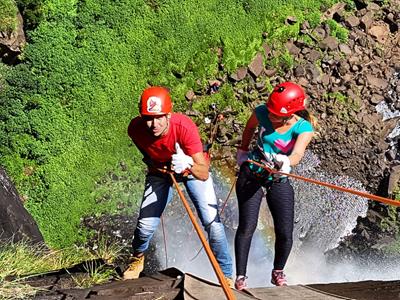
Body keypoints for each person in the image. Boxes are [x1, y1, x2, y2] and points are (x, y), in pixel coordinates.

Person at [123, 86, 233, 286]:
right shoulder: (135, 129)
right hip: (160, 173)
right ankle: (137, 259)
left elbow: (203, 172)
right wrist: (157, 166)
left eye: (159, 118)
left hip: (191, 171)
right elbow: (146, 153)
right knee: (144, 226)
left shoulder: (184, 128)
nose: (153, 124)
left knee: (212, 223)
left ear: (169, 115)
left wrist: (188, 164)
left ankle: (226, 275)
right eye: (148, 118)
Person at [234, 82, 315, 289]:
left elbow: (297, 153)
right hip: (253, 171)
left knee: (285, 232)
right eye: (269, 111)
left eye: (276, 114)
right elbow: (250, 127)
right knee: (247, 226)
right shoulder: (262, 112)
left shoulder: (303, 128)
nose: (270, 116)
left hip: (278, 176)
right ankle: (241, 276)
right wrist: (243, 151)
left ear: (290, 114)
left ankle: (278, 271)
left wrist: (286, 162)